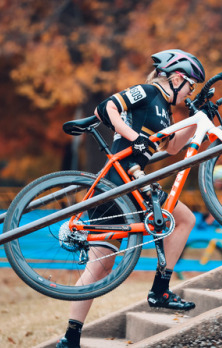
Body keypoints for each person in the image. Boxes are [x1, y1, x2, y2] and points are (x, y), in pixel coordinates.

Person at [57, 49, 206, 348]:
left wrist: (195, 117)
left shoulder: (166, 110)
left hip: (126, 187)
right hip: (123, 183)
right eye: (192, 86)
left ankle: (70, 338)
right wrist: (132, 135)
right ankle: (160, 289)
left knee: (100, 267)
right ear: (177, 78)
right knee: (183, 219)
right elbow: (107, 107)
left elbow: (174, 147)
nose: (191, 91)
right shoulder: (149, 92)